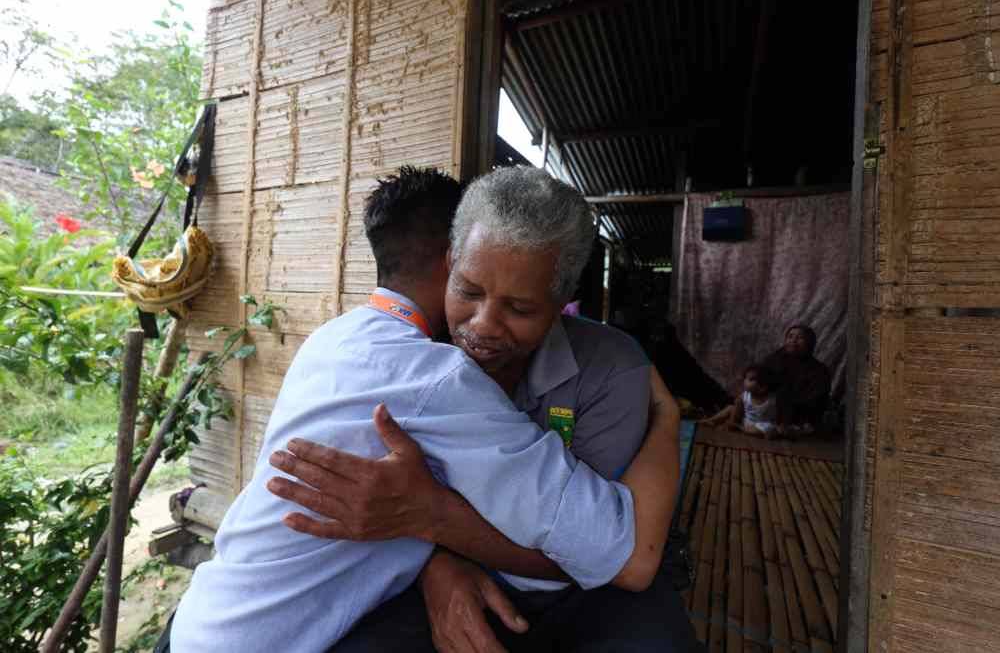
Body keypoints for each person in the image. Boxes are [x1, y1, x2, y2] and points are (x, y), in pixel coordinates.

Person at [164, 167, 678, 652]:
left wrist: (431, 520)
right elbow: (614, 546)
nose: (483, 325)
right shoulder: (438, 375)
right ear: (448, 262)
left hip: (205, 619)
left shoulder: (334, 339)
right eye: (469, 291)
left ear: (564, 298)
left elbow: (625, 564)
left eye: (519, 308)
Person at [762, 324, 832, 437]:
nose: (793, 341)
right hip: (771, 411)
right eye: (790, 336)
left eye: (800, 338)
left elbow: (815, 401)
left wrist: (787, 406)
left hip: (801, 415)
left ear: (810, 343)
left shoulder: (819, 370)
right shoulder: (775, 358)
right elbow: (761, 381)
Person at [700, 364, 779, 439]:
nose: (745, 381)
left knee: (768, 429)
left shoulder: (771, 401)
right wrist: (733, 419)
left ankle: (739, 429)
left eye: (750, 380)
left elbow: (777, 414)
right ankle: (712, 420)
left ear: (762, 388)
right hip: (745, 419)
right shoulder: (745, 395)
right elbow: (738, 409)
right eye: (745, 378)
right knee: (731, 407)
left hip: (760, 424)